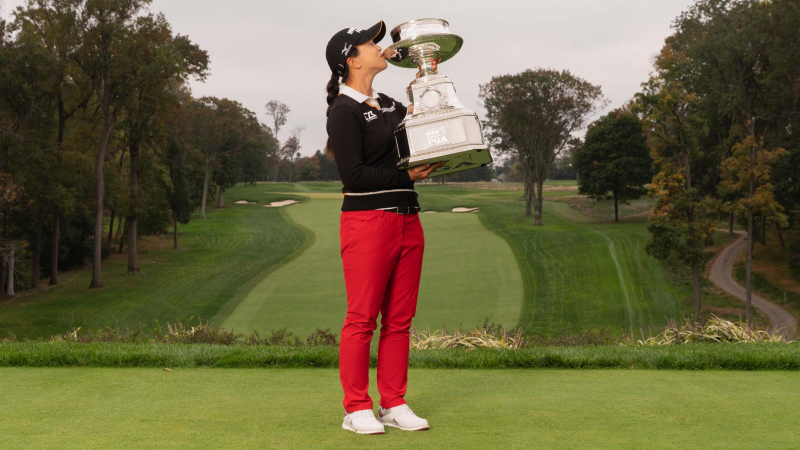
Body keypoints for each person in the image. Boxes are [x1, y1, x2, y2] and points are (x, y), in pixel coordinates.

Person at [324, 20, 446, 435]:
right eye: (371, 43)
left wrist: (427, 85)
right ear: (352, 60)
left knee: (399, 321)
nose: (380, 46)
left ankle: (393, 403)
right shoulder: (343, 110)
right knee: (362, 320)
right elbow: (354, 176)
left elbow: (416, 141)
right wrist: (407, 178)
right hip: (367, 222)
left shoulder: (391, 103)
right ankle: (357, 407)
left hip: (408, 220)